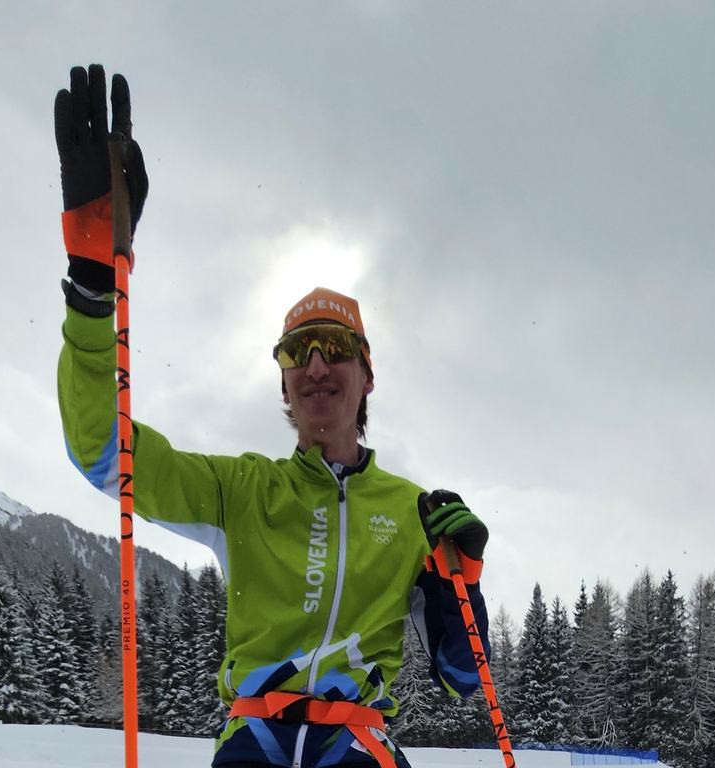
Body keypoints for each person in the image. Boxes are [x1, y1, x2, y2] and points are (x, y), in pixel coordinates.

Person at [54, 64, 492, 768]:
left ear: (367, 376)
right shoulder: (241, 491)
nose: (316, 364)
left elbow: (462, 678)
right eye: (297, 352)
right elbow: (101, 448)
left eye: (336, 348)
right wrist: (91, 289)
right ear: (284, 384)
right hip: (253, 742)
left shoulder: (412, 512)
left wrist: (460, 576)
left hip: (359, 747)